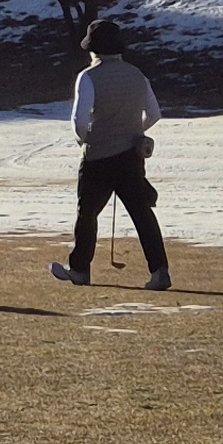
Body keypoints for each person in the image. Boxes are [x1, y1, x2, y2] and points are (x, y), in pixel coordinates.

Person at [49, 19, 172, 290]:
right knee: (142, 214)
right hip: (131, 156)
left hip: (98, 158)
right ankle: (160, 271)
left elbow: (80, 122)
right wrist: (132, 130)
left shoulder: (89, 77)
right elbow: (155, 113)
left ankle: (80, 269)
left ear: (93, 49)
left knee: (87, 214)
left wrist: (87, 139)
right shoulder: (137, 75)